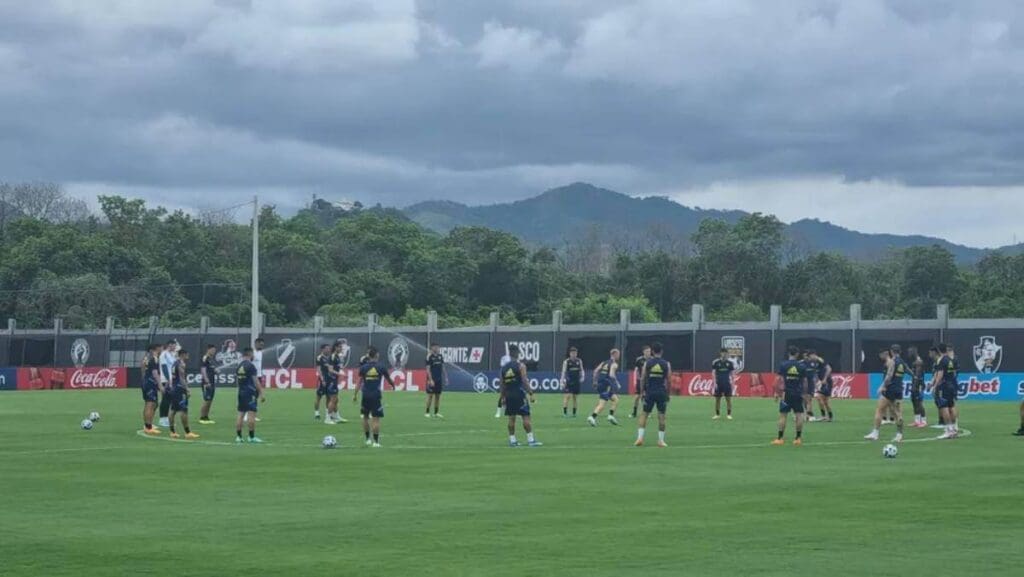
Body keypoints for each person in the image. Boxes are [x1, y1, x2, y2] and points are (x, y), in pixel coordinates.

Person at [499, 344, 541, 447]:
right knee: (525, 416)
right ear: (517, 353)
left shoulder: (503, 368)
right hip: (519, 394)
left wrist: (502, 397)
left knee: (511, 418)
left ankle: (513, 441)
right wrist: (531, 393)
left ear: (509, 354)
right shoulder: (521, 366)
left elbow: (502, 384)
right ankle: (530, 440)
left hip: (509, 395)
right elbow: (524, 381)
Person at [355, 346, 396, 448]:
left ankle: (367, 439)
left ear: (369, 356)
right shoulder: (381, 367)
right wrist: (393, 385)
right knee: (376, 419)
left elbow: (359, 382)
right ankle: (376, 442)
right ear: (377, 355)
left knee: (365, 417)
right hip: (376, 395)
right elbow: (388, 379)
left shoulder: (363, 367)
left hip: (365, 395)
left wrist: (355, 394)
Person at [864, 346, 906, 443]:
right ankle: (899, 435)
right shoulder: (902, 362)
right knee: (898, 413)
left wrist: (882, 386)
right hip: (899, 389)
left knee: (880, 409)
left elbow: (889, 376)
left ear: (891, 351)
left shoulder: (892, 362)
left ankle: (875, 433)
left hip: (890, 389)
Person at [635, 342, 671, 447]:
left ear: (653, 352)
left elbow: (642, 378)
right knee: (661, 416)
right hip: (661, 392)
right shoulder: (666, 364)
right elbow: (669, 380)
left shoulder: (647, 363)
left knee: (644, 414)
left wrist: (642, 392)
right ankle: (661, 441)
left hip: (650, 392)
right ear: (662, 351)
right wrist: (668, 393)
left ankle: (640, 438)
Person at [772, 346, 806, 446]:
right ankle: (798, 438)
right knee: (799, 415)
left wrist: (777, 392)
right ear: (797, 354)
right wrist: (804, 393)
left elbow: (777, 380)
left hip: (786, 394)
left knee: (783, 415)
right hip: (798, 393)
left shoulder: (783, 365)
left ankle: (780, 438)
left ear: (788, 353)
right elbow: (805, 382)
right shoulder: (801, 366)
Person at [167, 349, 199, 440]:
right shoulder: (181, 364)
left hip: (174, 388)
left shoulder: (174, 363)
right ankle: (187, 432)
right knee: (183, 410)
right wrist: (187, 389)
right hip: (180, 389)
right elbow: (182, 378)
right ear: (183, 355)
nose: (188, 357)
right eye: (187, 355)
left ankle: (172, 431)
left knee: (173, 409)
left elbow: (173, 377)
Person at [235, 347, 265, 443]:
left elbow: (238, 381)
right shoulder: (251, 366)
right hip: (250, 393)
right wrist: (261, 393)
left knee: (240, 414)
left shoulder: (239, 366)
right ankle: (251, 437)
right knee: (251, 414)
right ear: (250, 354)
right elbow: (256, 381)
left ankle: (239, 437)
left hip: (241, 392)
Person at [930, 344, 960, 439]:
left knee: (944, 407)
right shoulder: (950, 360)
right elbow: (954, 373)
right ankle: (954, 428)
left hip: (944, 386)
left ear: (938, 350)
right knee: (951, 406)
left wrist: (935, 386)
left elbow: (940, 374)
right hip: (951, 385)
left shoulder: (941, 360)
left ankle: (948, 430)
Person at [588, 349, 622, 427]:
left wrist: (594, 381)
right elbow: (611, 375)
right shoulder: (614, 364)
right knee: (602, 403)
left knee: (615, 399)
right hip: (607, 385)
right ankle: (592, 417)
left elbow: (596, 371)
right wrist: (617, 383)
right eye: (618, 354)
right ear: (615, 354)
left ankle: (611, 415)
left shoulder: (604, 362)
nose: (619, 356)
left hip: (600, 384)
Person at [141, 344, 162, 435]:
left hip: (146, 382)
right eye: (160, 348)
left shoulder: (145, 358)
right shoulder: (154, 358)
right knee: (150, 404)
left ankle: (148, 424)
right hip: (151, 383)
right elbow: (155, 373)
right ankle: (148, 427)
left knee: (153, 404)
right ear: (155, 349)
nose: (161, 350)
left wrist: (144, 382)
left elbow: (142, 371)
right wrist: (160, 385)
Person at [157, 339, 178, 428]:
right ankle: (162, 419)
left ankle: (166, 419)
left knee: (169, 400)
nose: (175, 347)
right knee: (165, 399)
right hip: (166, 380)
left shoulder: (172, 355)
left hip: (171, 379)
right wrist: (168, 379)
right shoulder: (164, 354)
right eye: (174, 345)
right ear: (170, 345)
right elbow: (164, 367)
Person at [325, 342, 348, 424]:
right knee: (333, 399)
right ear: (335, 347)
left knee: (336, 399)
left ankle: (336, 416)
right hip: (331, 380)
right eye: (340, 347)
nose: (341, 349)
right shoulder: (333, 356)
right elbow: (330, 370)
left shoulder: (337, 357)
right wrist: (341, 374)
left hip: (334, 380)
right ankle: (327, 418)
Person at [711, 348, 735, 420]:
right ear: (720, 353)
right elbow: (713, 373)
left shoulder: (730, 363)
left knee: (728, 399)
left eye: (725, 353)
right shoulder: (716, 362)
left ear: (727, 354)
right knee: (717, 400)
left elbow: (732, 374)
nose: (724, 354)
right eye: (722, 352)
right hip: (718, 383)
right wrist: (714, 383)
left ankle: (729, 414)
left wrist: (733, 384)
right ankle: (717, 414)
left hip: (727, 383)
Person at [561, 347, 584, 418]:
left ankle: (574, 413)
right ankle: (565, 413)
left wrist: (582, 377)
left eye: (575, 353)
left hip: (576, 381)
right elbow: (563, 372)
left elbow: (581, 370)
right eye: (572, 353)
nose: (574, 354)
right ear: (570, 353)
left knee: (575, 398)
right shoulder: (566, 361)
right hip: (569, 381)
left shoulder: (579, 361)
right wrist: (562, 381)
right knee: (567, 397)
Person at [907, 346, 927, 428]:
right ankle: (917, 421)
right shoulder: (914, 362)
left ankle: (924, 421)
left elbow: (918, 376)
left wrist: (914, 386)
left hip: (919, 385)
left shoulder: (918, 362)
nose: (908, 354)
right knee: (914, 401)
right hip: (915, 384)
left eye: (910, 352)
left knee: (919, 402)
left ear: (914, 352)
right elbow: (914, 375)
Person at [630, 345, 652, 419]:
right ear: (643, 352)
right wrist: (636, 379)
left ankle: (647, 412)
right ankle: (634, 413)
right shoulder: (639, 360)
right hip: (640, 380)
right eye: (647, 351)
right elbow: (636, 370)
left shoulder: (652, 360)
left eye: (649, 351)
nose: (648, 353)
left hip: (649, 381)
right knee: (637, 397)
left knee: (648, 397)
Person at [425, 343, 446, 419]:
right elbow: (428, 369)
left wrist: (446, 377)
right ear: (432, 348)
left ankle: (436, 413)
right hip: (432, 379)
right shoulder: (429, 357)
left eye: (438, 347)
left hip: (439, 379)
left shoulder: (440, 356)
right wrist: (430, 380)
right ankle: (427, 412)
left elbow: (443, 367)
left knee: (438, 396)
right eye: (436, 347)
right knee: (430, 395)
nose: (437, 348)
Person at [198, 344, 217, 425]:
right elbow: (203, 370)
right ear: (208, 349)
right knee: (207, 400)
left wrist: (215, 371)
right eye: (212, 350)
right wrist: (206, 381)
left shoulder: (211, 359)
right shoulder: (205, 358)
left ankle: (206, 417)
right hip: (207, 382)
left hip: (212, 382)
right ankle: (202, 417)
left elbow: (210, 369)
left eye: (214, 350)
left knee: (210, 400)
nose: (214, 352)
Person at [813, 352, 835, 422]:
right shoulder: (814, 363)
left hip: (827, 383)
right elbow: (817, 374)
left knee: (824, 400)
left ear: (814, 355)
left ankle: (827, 417)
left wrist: (825, 379)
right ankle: (826, 416)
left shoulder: (820, 360)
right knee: (821, 399)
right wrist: (817, 383)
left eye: (810, 356)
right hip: (822, 383)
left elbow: (829, 368)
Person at [314, 344, 332, 421]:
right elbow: (319, 369)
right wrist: (322, 379)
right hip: (323, 380)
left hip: (329, 379)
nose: (328, 350)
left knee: (329, 397)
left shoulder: (330, 358)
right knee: (319, 397)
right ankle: (317, 413)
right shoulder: (319, 357)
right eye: (327, 348)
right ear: (323, 349)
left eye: (329, 348)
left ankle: (328, 414)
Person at [801, 349, 820, 422]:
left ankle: (809, 415)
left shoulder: (814, 363)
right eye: (804, 355)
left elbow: (815, 374)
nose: (805, 356)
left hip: (811, 383)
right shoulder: (801, 363)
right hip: (803, 383)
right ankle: (804, 415)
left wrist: (816, 382)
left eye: (806, 355)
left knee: (809, 399)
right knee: (804, 400)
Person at [496, 351, 512, 418]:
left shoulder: (511, 368)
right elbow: (501, 379)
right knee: (502, 397)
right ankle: (498, 412)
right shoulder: (503, 369)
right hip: (505, 384)